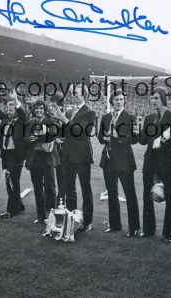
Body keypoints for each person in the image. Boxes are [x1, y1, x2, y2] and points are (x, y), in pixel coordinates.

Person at [48, 84, 95, 231]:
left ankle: (87, 221)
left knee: (85, 188)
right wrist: (56, 119)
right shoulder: (69, 112)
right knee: (69, 188)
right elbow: (65, 131)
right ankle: (71, 218)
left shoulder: (90, 112)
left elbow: (81, 132)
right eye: (72, 93)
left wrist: (64, 120)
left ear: (84, 95)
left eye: (76, 93)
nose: (73, 95)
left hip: (82, 156)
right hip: (68, 155)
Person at [138, 87, 171, 243]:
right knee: (147, 196)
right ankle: (148, 230)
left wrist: (167, 138)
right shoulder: (149, 118)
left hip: (167, 162)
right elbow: (143, 140)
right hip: (150, 161)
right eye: (152, 98)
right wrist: (136, 131)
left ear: (163, 98)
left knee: (169, 197)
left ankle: (168, 233)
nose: (153, 101)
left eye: (156, 98)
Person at [98, 89, 140, 237]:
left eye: (121, 99)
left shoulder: (131, 117)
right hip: (108, 160)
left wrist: (119, 135)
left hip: (125, 161)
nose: (119, 102)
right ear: (112, 101)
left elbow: (135, 138)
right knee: (112, 193)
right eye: (116, 100)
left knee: (130, 194)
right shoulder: (105, 117)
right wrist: (105, 138)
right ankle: (115, 224)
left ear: (124, 101)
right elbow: (99, 137)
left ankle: (134, 227)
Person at [0, 91, 28, 218]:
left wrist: (16, 101)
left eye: (11, 109)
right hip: (5, 155)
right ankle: (18, 205)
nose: (8, 111)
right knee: (9, 181)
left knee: (12, 182)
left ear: (16, 110)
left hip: (16, 156)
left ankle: (12, 210)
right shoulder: (6, 119)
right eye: (7, 109)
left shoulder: (21, 121)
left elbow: (23, 113)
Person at [25, 99, 59, 223]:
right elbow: (27, 137)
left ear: (45, 110)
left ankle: (52, 214)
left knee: (50, 187)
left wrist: (38, 137)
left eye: (41, 108)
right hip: (35, 159)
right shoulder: (30, 123)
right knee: (37, 187)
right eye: (37, 108)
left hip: (48, 158)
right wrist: (33, 139)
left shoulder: (51, 121)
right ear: (34, 110)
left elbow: (53, 134)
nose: (38, 110)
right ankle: (41, 215)